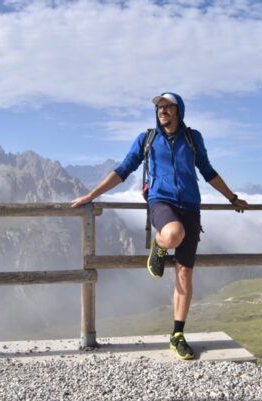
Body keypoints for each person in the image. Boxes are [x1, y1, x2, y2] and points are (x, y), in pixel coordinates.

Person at [72, 92, 249, 360]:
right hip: (161, 202)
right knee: (173, 233)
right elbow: (123, 169)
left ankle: (177, 334)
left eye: (167, 106)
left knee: (185, 273)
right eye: (159, 107)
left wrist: (232, 198)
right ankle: (160, 244)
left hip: (190, 206)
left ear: (179, 110)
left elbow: (208, 170)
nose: (162, 111)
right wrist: (91, 196)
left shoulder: (192, 138)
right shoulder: (147, 139)